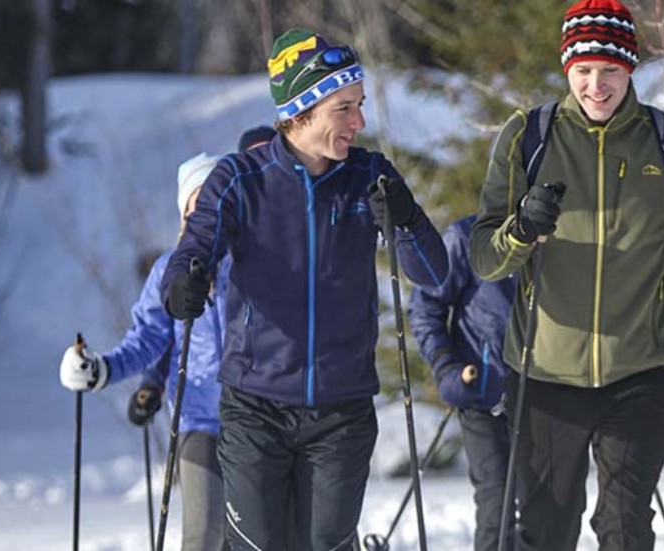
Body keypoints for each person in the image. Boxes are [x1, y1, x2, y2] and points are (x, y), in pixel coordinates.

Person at [468, 0, 664, 548]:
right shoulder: (528, 137)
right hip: (546, 374)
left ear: (630, 67)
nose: (595, 85)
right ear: (566, 71)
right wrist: (523, 229)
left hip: (639, 370)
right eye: (583, 71)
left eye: (609, 70)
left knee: (625, 527)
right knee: (547, 530)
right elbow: (485, 258)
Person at [159, 28, 448, 550]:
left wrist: (405, 219)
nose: (359, 121)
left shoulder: (371, 176)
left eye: (359, 105)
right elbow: (194, 247)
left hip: (342, 411)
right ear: (302, 110)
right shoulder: (240, 179)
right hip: (255, 409)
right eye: (344, 108)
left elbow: (432, 272)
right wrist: (185, 280)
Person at [59, 152, 232, 551]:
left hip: (259, 420)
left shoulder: (252, 265)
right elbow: (147, 339)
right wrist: (101, 369)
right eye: (197, 203)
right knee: (203, 535)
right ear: (184, 211)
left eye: (217, 201)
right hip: (198, 421)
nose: (207, 212)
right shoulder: (169, 270)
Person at [409, 214, 516, 551]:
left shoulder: (563, 237)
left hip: (549, 395)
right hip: (483, 396)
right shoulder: (468, 236)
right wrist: (447, 367)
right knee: (496, 503)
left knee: (547, 510)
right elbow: (426, 307)